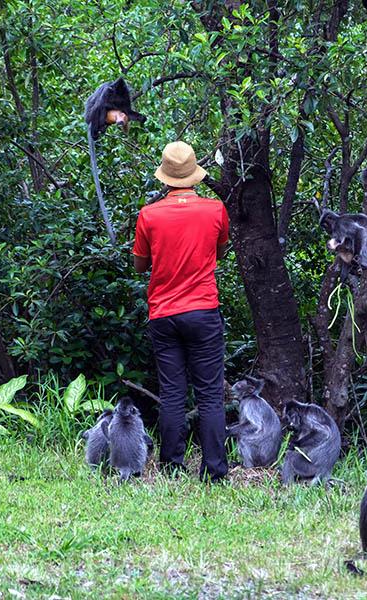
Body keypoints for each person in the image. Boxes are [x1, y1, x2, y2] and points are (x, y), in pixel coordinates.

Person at [132, 141, 230, 482]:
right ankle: (214, 471)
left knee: (173, 392)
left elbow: (139, 266)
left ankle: (172, 467)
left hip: (163, 312)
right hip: (203, 309)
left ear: (165, 178)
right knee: (210, 394)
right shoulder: (215, 210)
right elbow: (220, 250)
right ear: (194, 175)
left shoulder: (149, 214)